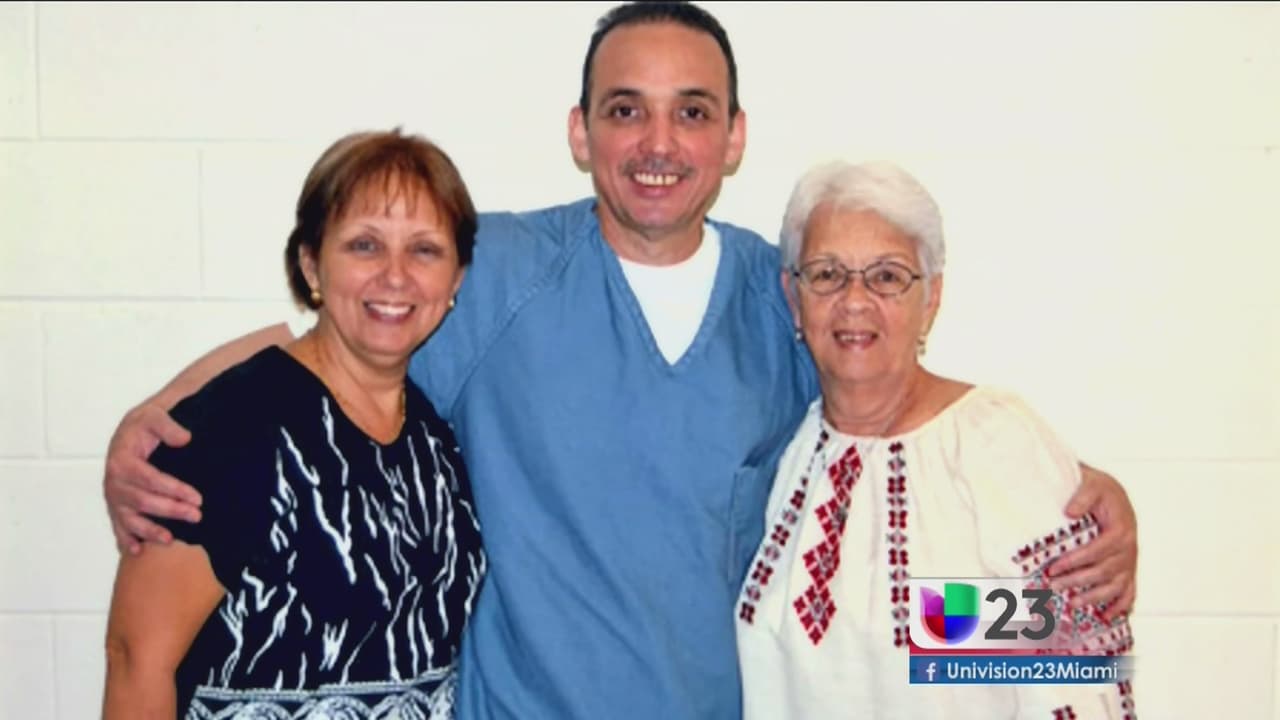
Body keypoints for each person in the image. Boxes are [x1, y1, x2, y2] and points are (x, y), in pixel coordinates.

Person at [101, 3, 1138, 718]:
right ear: (580, 131)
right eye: (625, 109)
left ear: (733, 137)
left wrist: (1077, 500)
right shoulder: (496, 273)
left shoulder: (791, 308)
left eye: (692, 111)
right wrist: (158, 421)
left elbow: (966, 580)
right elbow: (328, 346)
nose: (658, 142)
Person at [101, 129, 486, 719]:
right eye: (364, 245)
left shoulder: (435, 441)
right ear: (311, 264)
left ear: (456, 279)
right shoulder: (228, 432)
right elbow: (136, 660)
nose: (395, 275)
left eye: (425, 250)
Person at [735, 160, 1136, 719]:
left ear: (932, 298)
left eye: (887, 276)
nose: (855, 300)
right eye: (827, 274)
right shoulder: (788, 452)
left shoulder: (987, 449)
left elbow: (1074, 673)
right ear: (794, 296)